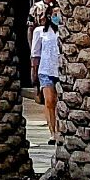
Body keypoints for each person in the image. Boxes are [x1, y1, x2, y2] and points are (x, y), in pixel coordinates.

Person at [29, 8, 62, 145]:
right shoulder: (40, 32)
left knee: (60, 103)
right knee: (49, 101)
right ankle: (52, 132)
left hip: (60, 71)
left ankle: (61, 131)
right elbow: (35, 54)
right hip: (45, 70)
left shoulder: (64, 31)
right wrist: (34, 72)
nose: (57, 17)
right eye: (54, 14)